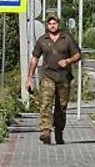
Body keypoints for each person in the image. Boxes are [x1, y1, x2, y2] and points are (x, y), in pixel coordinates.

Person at [27, 15, 81, 145]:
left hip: (64, 77)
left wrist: (68, 61)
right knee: (45, 103)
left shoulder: (66, 39)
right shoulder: (42, 40)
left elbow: (78, 55)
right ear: (47, 25)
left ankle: (58, 131)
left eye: (54, 23)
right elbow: (34, 58)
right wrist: (29, 77)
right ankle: (46, 131)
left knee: (61, 106)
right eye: (50, 23)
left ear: (59, 25)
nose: (52, 25)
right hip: (47, 75)